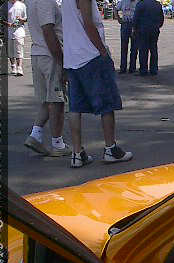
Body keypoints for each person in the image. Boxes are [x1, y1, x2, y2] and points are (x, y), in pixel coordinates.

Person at [61, 0, 133, 167]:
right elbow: (88, 23)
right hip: (90, 55)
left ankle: (77, 153)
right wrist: (102, 50)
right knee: (106, 104)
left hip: (72, 57)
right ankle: (110, 149)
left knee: (75, 107)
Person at [23, 0, 71, 158]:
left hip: (38, 52)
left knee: (48, 100)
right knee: (57, 100)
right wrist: (61, 61)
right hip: (49, 55)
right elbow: (48, 31)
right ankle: (58, 143)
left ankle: (35, 135)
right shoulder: (45, 1)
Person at [133, 0, 164, 76]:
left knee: (143, 50)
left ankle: (143, 70)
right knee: (153, 49)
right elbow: (161, 18)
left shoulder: (140, 4)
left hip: (143, 30)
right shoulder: (158, 4)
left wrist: (135, 29)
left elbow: (135, 18)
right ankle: (154, 69)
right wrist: (157, 26)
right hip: (154, 29)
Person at [114, 0, 139, 74]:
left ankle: (132, 68)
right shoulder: (123, 1)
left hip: (135, 25)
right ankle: (123, 68)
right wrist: (118, 18)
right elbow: (116, 9)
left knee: (134, 48)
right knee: (124, 47)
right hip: (125, 24)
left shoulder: (138, 2)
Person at [7, 0, 27, 75]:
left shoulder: (22, 5)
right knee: (10, 51)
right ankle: (13, 67)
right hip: (9, 31)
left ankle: (19, 68)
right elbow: (0, 19)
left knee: (19, 49)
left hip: (19, 30)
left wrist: (21, 19)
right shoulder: (4, 6)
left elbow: (26, 18)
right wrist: (8, 24)